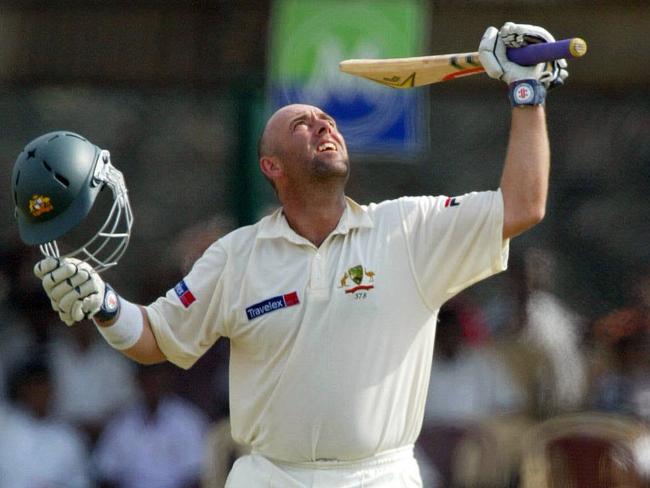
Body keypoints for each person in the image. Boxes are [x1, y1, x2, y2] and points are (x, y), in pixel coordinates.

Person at [28, 22, 568, 488]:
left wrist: (527, 94)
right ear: (272, 167)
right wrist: (102, 301)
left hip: (378, 476)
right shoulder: (236, 256)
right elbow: (156, 339)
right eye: (302, 124)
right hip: (271, 475)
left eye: (328, 122)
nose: (324, 125)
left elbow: (523, 205)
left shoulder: (408, 228)